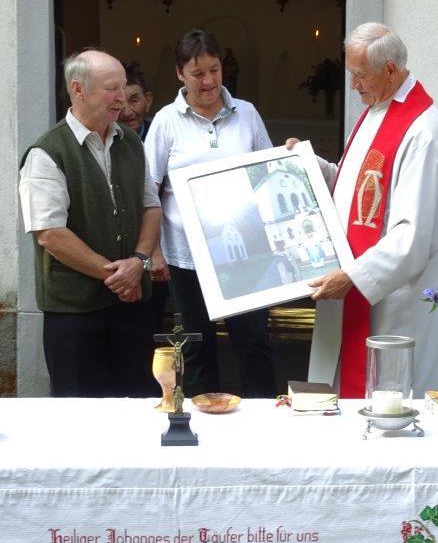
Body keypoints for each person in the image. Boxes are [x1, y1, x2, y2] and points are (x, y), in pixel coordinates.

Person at [287, 22, 438, 398]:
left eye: (359, 75)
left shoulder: (424, 132)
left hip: (393, 306)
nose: (353, 85)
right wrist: (310, 165)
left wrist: (354, 277)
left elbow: (414, 235)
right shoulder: (376, 110)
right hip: (361, 294)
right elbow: (356, 190)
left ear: (389, 70)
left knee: (389, 404)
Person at [19, 49, 162, 397]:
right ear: (78, 89)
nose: (121, 98)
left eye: (123, 87)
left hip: (131, 306)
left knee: (137, 404)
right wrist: (118, 276)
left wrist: (139, 262)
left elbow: (151, 206)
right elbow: (50, 234)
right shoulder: (47, 152)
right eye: (111, 89)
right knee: (79, 413)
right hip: (75, 314)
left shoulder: (130, 142)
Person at [145, 28, 277, 398]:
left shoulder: (246, 114)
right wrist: (154, 250)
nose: (208, 81)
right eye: (197, 73)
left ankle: (264, 416)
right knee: (195, 345)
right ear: (179, 74)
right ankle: (201, 418)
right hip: (187, 257)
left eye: (214, 70)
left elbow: (266, 173)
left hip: (245, 252)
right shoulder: (166, 121)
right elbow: (149, 189)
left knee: (253, 342)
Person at [120, 62, 170, 337]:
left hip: (168, 248)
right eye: (121, 101)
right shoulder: (107, 140)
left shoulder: (163, 133)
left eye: (135, 99)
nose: (127, 111)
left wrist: (156, 250)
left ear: (148, 100)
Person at [119, 62, 154, 141]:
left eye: (134, 101)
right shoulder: (100, 138)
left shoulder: (161, 135)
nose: (126, 113)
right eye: (119, 102)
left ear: (148, 101)